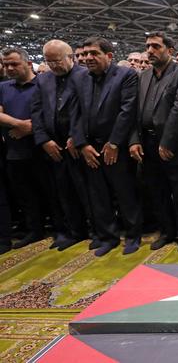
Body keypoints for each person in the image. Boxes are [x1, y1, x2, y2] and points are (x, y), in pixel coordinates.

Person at [71, 37, 142, 256]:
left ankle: (133, 236)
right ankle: (108, 237)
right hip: (91, 148)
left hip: (116, 147)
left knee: (125, 193)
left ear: (108, 56)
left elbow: (127, 111)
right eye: (85, 54)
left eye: (94, 53)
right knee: (98, 195)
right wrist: (82, 144)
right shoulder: (81, 78)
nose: (88, 58)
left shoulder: (126, 75)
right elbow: (77, 113)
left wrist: (114, 143)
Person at [128, 32, 178, 250]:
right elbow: (136, 112)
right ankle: (167, 231)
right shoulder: (144, 75)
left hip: (171, 144)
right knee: (157, 191)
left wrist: (167, 142)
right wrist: (134, 139)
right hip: (146, 143)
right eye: (148, 46)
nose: (150, 50)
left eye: (156, 46)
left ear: (170, 51)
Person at [31, 40, 91, 251]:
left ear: (70, 57)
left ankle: (97, 230)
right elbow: (36, 111)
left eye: (57, 60)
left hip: (79, 146)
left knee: (87, 190)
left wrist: (78, 136)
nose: (54, 65)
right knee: (62, 192)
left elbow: (88, 109)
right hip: (53, 147)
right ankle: (74, 231)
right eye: (49, 61)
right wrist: (44, 140)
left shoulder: (85, 75)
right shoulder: (43, 79)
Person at [0, 47, 63, 248]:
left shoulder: (44, 83)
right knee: (25, 195)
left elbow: (52, 113)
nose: (9, 68)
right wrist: (19, 124)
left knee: (51, 193)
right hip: (15, 152)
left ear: (28, 64)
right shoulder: (4, 87)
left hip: (42, 150)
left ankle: (60, 230)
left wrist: (32, 128)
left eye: (14, 64)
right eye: (6, 64)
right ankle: (34, 230)